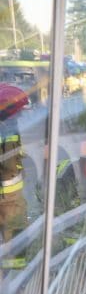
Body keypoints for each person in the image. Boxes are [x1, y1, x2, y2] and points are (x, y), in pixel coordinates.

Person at [0, 84, 29, 269]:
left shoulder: (9, 128)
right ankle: (16, 275)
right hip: (9, 196)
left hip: (7, 193)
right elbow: (10, 166)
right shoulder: (8, 131)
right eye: (19, 110)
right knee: (16, 230)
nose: (21, 114)